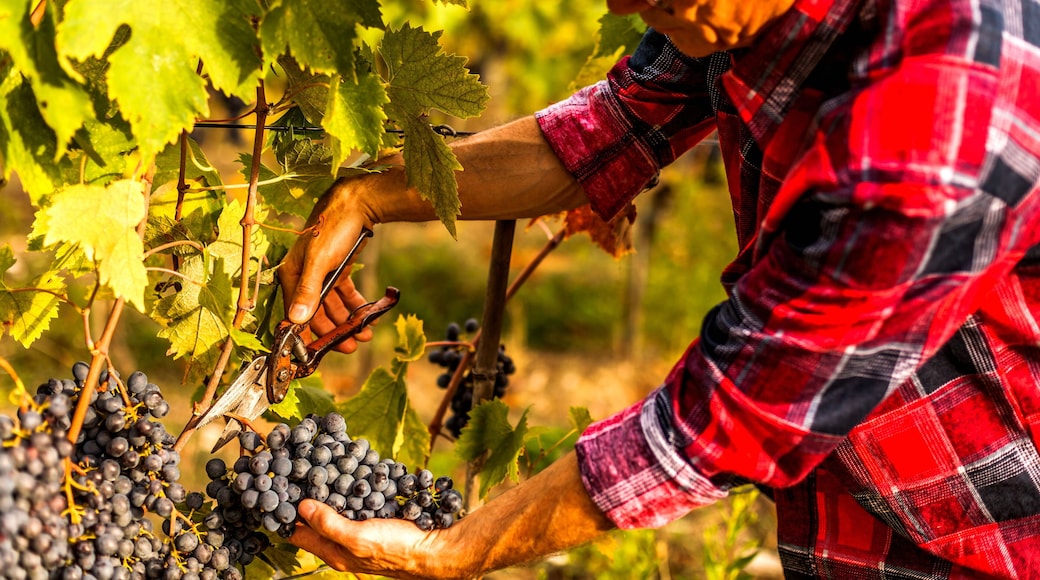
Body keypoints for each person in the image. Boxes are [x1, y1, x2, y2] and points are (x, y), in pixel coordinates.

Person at [278, 0, 1040, 577]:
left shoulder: (944, 114)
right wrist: (368, 197)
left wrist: (452, 550)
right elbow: (607, 130)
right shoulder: (734, 13)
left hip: (991, 535)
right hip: (863, 509)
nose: (619, 9)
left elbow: (727, 416)